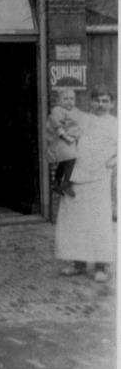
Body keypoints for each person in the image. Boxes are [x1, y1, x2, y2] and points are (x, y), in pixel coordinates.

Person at [55, 85, 117, 283]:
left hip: (99, 178)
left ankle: (101, 265)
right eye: (96, 100)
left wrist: (111, 163)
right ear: (90, 102)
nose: (100, 104)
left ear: (112, 103)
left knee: (98, 221)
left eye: (105, 100)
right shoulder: (82, 119)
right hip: (79, 175)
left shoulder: (115, 124)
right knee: (77, 220)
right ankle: (79, 262)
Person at [45, 88, 82, 197]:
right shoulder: (58, 110)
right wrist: (66, 136)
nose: (70, 101)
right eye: (66, 99)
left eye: (72, 98)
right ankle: (66, 184)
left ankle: (56, 183)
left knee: (64, 162)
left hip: (71, 139)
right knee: (71, 159)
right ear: (58, 101)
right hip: (62, 140)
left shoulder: (74, 110)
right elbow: (57, 126)